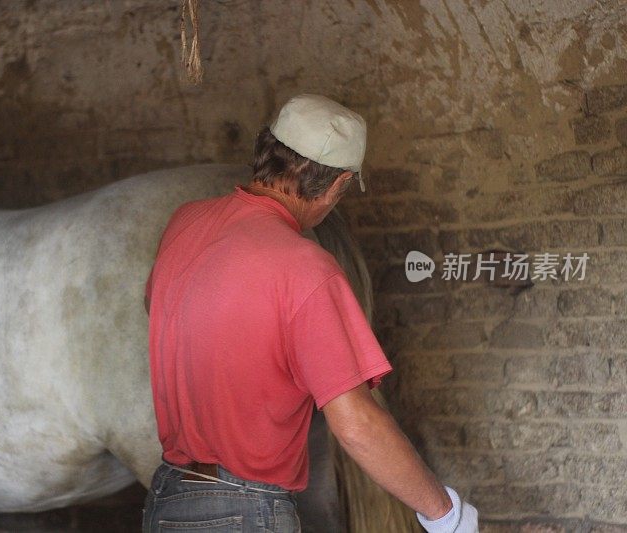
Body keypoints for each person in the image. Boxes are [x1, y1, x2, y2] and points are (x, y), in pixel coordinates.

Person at [142, 94, 478, 532]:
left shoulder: (184, 223)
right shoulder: (305, 265)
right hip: (245, 510)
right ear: (337, 186)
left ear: (267, 151)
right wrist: (446, 514)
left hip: (167, 498)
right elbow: (356, 424)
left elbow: (155, 304)